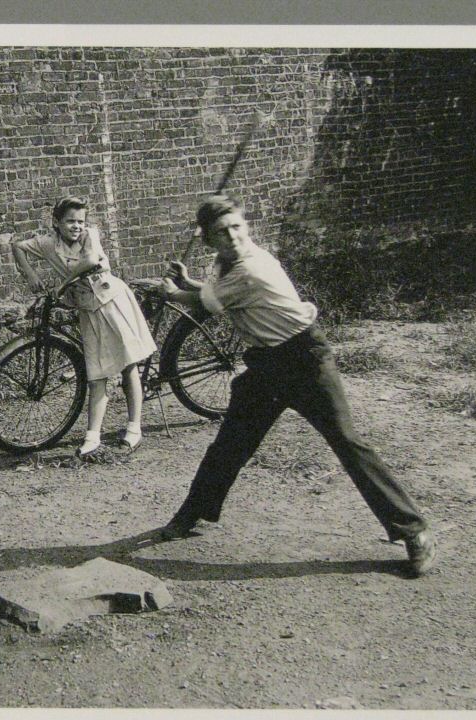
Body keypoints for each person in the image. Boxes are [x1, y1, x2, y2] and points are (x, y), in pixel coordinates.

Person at [156, 194, 437, 577]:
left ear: (247, 226)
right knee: (230, 445)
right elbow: (216, 292)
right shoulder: (226, 265)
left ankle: (414, 531)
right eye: (222, 232)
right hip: (267, 366)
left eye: (237, 226)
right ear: (208, 239)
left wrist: (171, 292)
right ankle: (193, 513)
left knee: (347, 442)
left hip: (305, 360)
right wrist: (188, 281)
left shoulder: (252, 266)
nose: (233, 236)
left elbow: (209, 303)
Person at [9, 196, 156, 459]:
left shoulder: (91, 235)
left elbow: (89, 261)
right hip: (89, 311)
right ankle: (92, 437)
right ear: (56, 222)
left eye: (80, 221)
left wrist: (62, 284)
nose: (76, 226)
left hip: (112, 303)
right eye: (70, 221)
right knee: (96, 373)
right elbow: (17, 246)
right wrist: (30, 274)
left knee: (128, 365)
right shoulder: (48, 243)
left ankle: (134, 428)